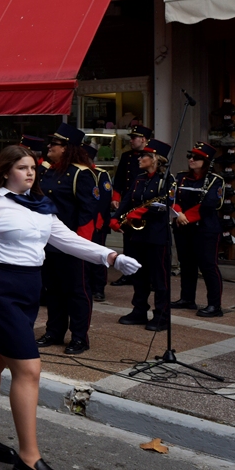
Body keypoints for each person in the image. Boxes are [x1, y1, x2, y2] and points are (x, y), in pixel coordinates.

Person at [0, 145, 139, 470]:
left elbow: (67, 240)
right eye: (22, 168)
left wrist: (111, 256)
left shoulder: (41, 206)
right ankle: (29, 459)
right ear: (5, 172)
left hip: (28, 288)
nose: (30, 173)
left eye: (33, 168)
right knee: (28, 368)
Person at [35, 124, 102, 355]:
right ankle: (54, 331)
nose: (50, 146)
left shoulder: (81, 174)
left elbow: (87, 213)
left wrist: (80, 246)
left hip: (72, 244)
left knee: (77, 291)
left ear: (67, 148)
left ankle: (80, 337)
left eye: (55, 143)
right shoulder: (48, 171)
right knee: (53, 290)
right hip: (49, 243)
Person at [114, 139, 174, 332]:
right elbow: (127, 199)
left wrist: (140, 213)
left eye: (144, 156)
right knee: (138, 275)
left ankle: (161, 315)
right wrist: (115, 219)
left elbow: (166, 205)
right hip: (137, 235)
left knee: (159, 278)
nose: (140, 158)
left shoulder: (167, 180)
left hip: (156, 235)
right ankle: (139, 310)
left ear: (155, 159)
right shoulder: (139, 178)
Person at [170, 142, 224, 318]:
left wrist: (186, 216)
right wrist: (178, 213)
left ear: (206, 161)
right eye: (190, 156)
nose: (191, 160)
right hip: (183, 227)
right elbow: (173, 197)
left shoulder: (215, 180)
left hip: (205, 229)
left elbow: (209, 204)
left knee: (208, 266)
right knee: (186, 265)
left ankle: (215, 305)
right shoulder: (181, 177)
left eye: (196, 158)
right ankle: (187, 298)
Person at [109, 125, 151, 287]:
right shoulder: (126, 156)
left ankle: (147, 275)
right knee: (128, 241)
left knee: (146, 242)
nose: (131, 141)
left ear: (144, 139)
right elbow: (119, 179)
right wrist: (116, 197)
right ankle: (128, 274)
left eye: (134, 138)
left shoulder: (152, 157)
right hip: (128, 202)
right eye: (131, 138)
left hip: (143, 204)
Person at [82, 144, 113, 302]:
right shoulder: (79, 173)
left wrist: (98, 222)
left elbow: (104, 200)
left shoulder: (101, 174)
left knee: (99, 257)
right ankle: (86, 285)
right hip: (83, 223)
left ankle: (99, 288)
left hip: (97, 224)